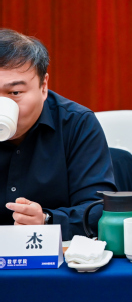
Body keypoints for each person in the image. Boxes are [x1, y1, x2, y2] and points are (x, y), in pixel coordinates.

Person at [0, 29, 117, 240]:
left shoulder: (77, 123)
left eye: (15, 93)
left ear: (43, 86)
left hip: (54, 253)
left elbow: (97, 208)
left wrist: (46, 220)